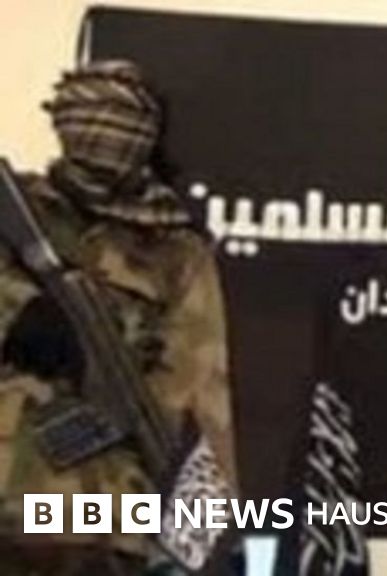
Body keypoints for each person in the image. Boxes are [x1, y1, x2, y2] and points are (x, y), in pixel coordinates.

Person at [0, 60, 236, 574]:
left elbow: (204, 401)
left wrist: (200, 535)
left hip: (106, 522)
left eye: (124, 123)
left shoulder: (176, 253)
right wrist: (17, 309)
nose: (106, 138)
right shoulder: (19, 216)